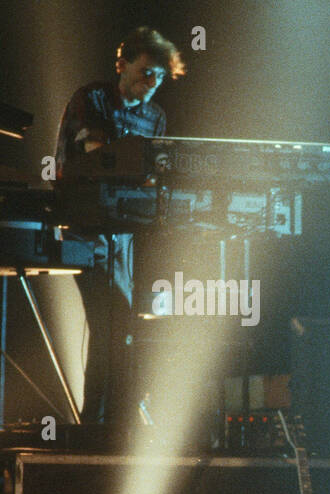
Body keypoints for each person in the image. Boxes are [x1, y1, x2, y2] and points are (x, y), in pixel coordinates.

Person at [54, 27, 186, 423]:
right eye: (147, 72)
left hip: (124, 236)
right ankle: (98, 418)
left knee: (119, 323)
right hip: (85, 229)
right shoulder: (92, 98)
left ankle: (107, 417)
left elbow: (154, 176)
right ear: (122, 66)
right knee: (112, 316)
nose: (152, 82)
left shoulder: (156, 116)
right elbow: (98, 158)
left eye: (160, 76)